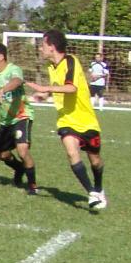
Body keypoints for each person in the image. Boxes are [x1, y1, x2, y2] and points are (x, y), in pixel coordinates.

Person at [30, 29, 106, 211]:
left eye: (43, 45)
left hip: (86, 120)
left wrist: (45, 88)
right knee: (72, 153)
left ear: (52, 46)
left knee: (95, 161)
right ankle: (92, 193)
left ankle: (98, 187)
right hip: (66, 120)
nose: (40, 49)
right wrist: (44, 95)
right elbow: (58, 89)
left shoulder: (71, 61)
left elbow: (71, 88)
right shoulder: (51, 67)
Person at [0, 42, 37, 193]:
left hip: (22, 115)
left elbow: (17, 81)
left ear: (1, 57)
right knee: (2, 155)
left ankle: (32, 186)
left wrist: (2, 91)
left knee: (22, 150)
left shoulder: (14, 69)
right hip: (6, 119)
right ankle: (19, 168)